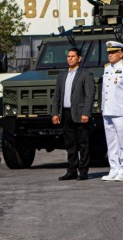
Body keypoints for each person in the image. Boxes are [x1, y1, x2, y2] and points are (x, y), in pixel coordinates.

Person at [51, 47, 95, 181]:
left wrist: (86, 113)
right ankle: (71, 170)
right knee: (70, 144)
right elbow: (57, 95)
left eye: (73, 56)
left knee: (83, 143)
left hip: (81, 114)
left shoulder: (86, 75)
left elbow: (90, 96)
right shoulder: (62, 75)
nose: (70, 58)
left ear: (79, 59)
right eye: (68, 56)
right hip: (66, 113)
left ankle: (83, 171)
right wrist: (55, 113)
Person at [101, 41, 123, 182]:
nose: (110, 55)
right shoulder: (107, 68)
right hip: (108, 111)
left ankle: (122, 170)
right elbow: (105, 90)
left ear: (120, 54)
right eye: (109, 53)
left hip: (122, 111)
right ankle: (113, 168)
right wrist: (103, 108)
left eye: (113, 52)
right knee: (111, 142)